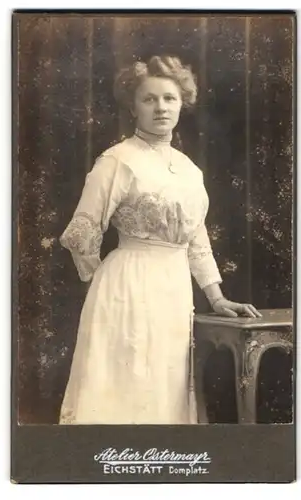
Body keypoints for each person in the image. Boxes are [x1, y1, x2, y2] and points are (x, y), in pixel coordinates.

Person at [59, 55, 261, 425]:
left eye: (169, 98)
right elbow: (81, 234)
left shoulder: (188, 169)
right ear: (133, 107)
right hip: (126, 286)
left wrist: (215, 296)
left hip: (174, 291)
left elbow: (196, 238)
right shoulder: (117, 161)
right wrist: (101, 281)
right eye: (148, 99)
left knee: (163, 390)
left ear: (183, 103)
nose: (160, 107)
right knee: (124, 384)